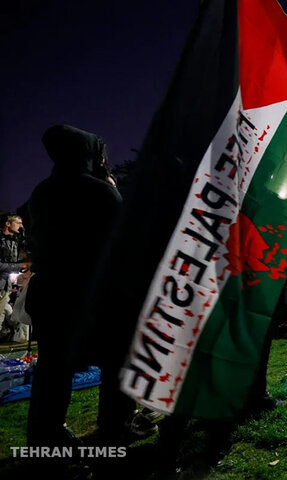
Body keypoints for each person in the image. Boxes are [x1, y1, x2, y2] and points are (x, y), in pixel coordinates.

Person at [25, 125, 125, 449]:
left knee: (53, 371)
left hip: (50, 294)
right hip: (89, 295)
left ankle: (45, 436)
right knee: (115, 360)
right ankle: (114, 426)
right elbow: (122, 240)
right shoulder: (98, 191)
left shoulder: (41, 192)